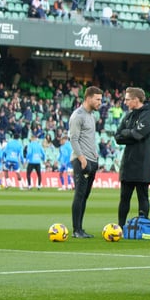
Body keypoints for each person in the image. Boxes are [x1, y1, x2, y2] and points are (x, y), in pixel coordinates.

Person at [114, 87, 150, 227]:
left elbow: (138, 134)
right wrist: (130, 133)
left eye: (127, 99)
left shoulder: (149, 115)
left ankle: (143, 226)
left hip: (143, 162)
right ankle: (120, 227)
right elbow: (118, 137)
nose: (125, 102)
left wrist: (128, 133)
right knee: (124, 197)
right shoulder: (129, 116)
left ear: (136, 99)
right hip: (128, 161)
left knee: (142, 195)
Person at [69, 86, 103, 238]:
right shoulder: (78, 115)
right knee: (79, 194)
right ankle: (76, 230)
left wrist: (94, 155)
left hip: (91, 159)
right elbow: (74, 139)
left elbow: (89, 138)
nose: (100, 102)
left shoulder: (91, 115)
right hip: (81, 160)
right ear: (88, 98)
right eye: (98, 99)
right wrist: (82, 158)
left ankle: (81, 229)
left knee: (85, 195)